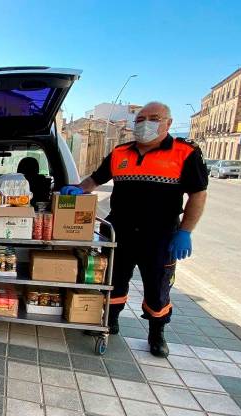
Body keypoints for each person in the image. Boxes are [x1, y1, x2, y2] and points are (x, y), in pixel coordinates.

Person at [63, 102, 208, 358]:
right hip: (121, 229)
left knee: (158, 286)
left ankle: (157, 333)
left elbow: (198, 195)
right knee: (113, 280)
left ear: (168, 123)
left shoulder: (184, 153)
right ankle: (111, 321)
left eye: (154, 118)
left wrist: (185, 231)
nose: (145, 124)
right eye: (140, 119)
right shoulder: (121, 153)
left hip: (160, 234)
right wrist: (79, 188)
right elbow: (96, 179)